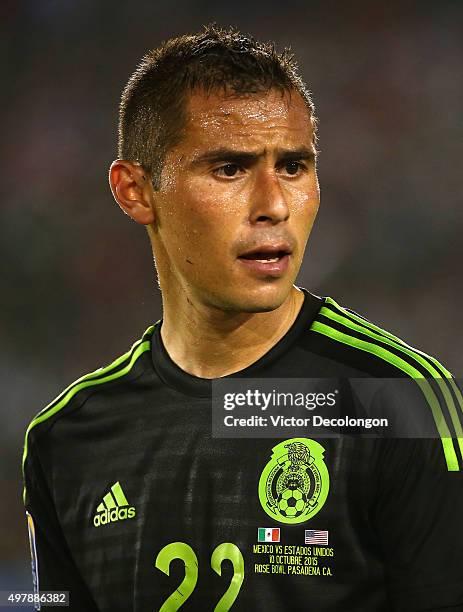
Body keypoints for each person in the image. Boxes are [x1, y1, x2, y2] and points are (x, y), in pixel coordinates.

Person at [22, 24, 463, 612]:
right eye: (230, 168)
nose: (274, 205)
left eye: (294, 167)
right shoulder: (65, 438)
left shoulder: (398, 402)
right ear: (135, 190)